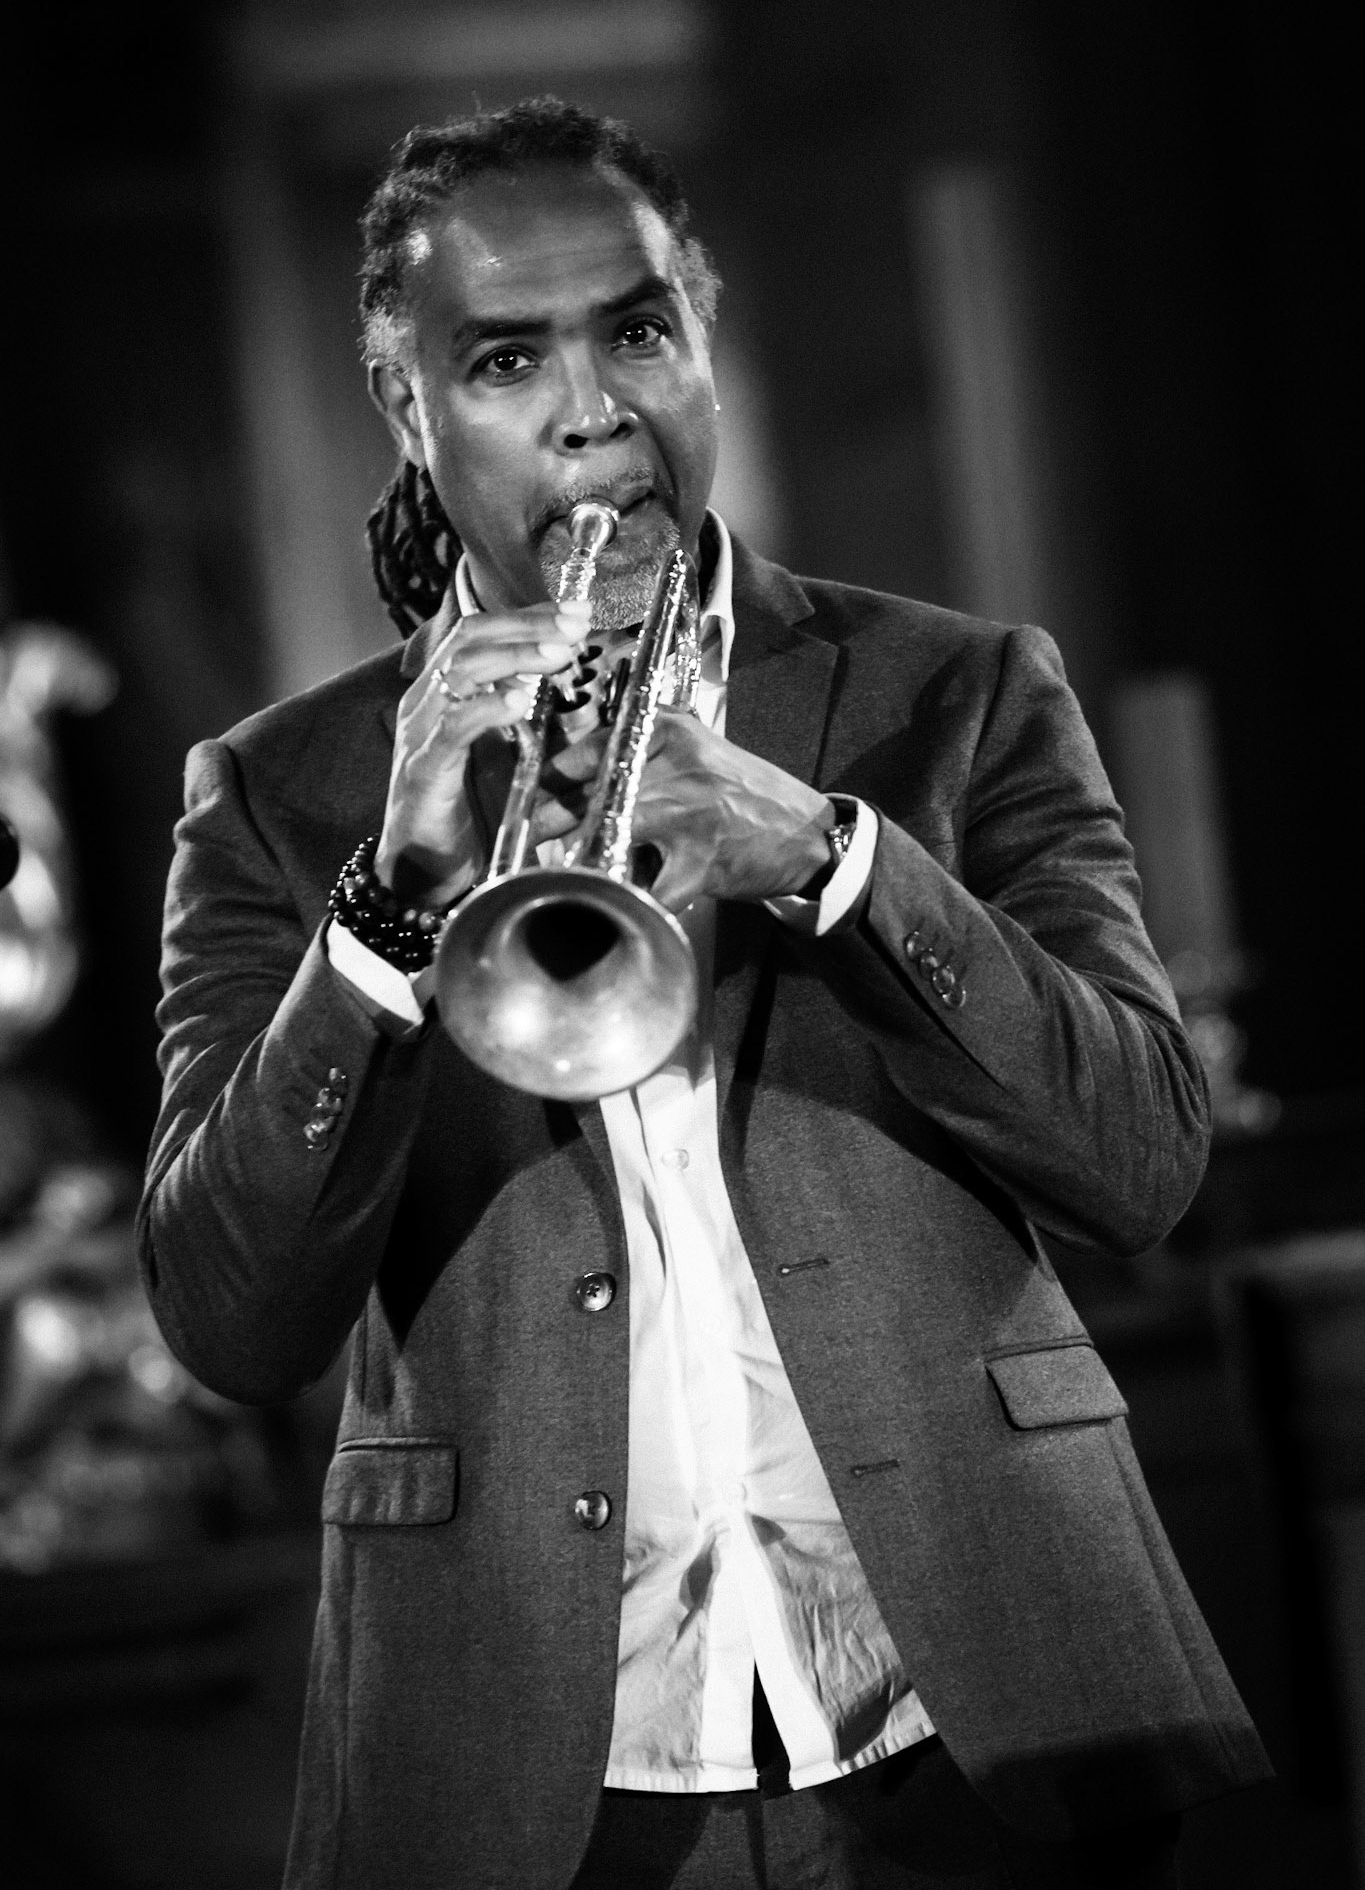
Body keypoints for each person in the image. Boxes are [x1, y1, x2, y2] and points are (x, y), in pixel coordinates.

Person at [139, 98, 1268, 1889]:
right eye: (506, 359)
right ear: (402, 405)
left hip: (983, 1725)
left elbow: (1140, 1165)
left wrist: (835, 857)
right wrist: (382, 919)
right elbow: (228, 1327)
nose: (596, 412)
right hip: (535, 1780)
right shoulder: (279, 792)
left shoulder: (959, 694)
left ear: (703, 346)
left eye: (638, 331)